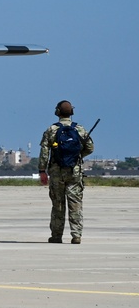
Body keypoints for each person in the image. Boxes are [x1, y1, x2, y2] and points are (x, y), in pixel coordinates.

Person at [38, 100, 94, 244]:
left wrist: (42, 170)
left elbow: (44, 151)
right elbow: (90, 148)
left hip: (56, 172)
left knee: (58, 204)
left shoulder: (52, 130)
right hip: (75, 171)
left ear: (57, 112)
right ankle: (76, 235)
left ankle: (56, 236)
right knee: (75, 203)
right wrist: (77, 156)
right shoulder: (80, 129)